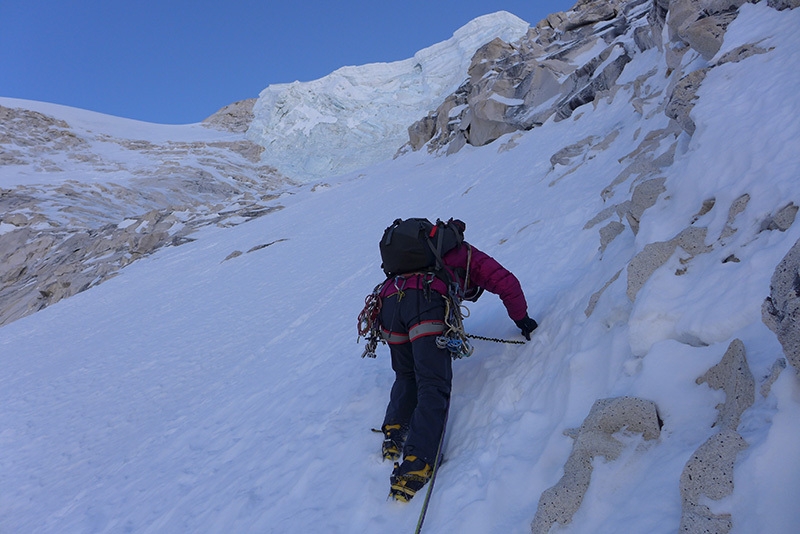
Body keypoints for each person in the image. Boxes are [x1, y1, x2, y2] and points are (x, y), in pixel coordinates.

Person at [377, 218, 537, 502]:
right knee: (433, 383)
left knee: (406, 373)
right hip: (423, 302)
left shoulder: (418, 252)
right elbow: (506, 282)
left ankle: (394, 429)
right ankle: (417, 462)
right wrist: (521, 319)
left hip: (388, 303)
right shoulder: (466, 254)